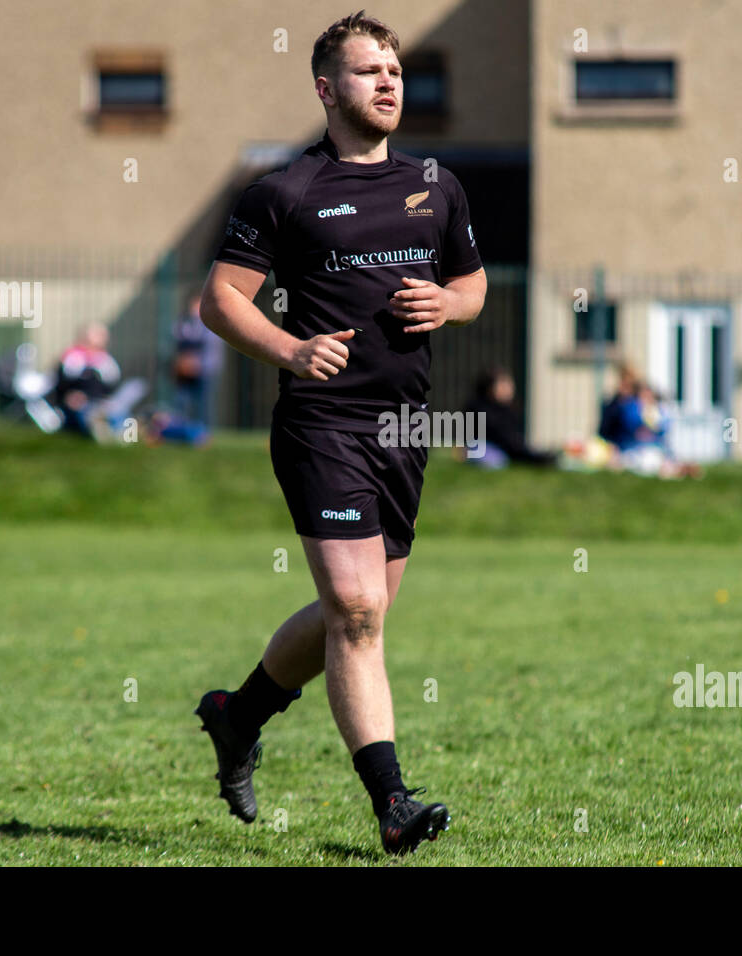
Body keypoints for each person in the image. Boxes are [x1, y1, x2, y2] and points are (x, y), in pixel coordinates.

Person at [193, 10, 486, 855]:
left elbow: (471, 288)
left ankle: (237, 714)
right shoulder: (283, 193)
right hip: (323, 425)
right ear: (326, 88)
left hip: (404, 428)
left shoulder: (437, 184)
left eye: (395, 70)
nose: (389, 83)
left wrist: (449, 304)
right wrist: (292, 347)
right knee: (356, 610)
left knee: (356, 614)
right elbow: (219, 302)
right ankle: (392, 802)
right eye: (369, 72)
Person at [53, 322, 147, 442]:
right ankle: (101, 428)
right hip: (79, 404)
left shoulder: (105, 361)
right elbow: (63, 385)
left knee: (125, 397)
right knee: (86, 411)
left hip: (101, 401)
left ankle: (119, 430)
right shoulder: (72, 358)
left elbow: (111, 386)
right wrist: (70, 397)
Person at [463, 367, 554, 469]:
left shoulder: (508, 408)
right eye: (502, 385)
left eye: (509, 385)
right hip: (484, 446)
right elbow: (499, 434)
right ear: (489, 387)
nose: (508, 389)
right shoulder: (478, 407)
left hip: (502, 447)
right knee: (495, 461)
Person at [172, 292, 226, 430]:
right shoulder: (184, 321)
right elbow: (176, 336)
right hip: (186, 371)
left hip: (206, 369)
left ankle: (204, 431)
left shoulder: (211, 322)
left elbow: (207, 342)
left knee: (204, 403)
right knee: (183, 401)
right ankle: (182, 429)